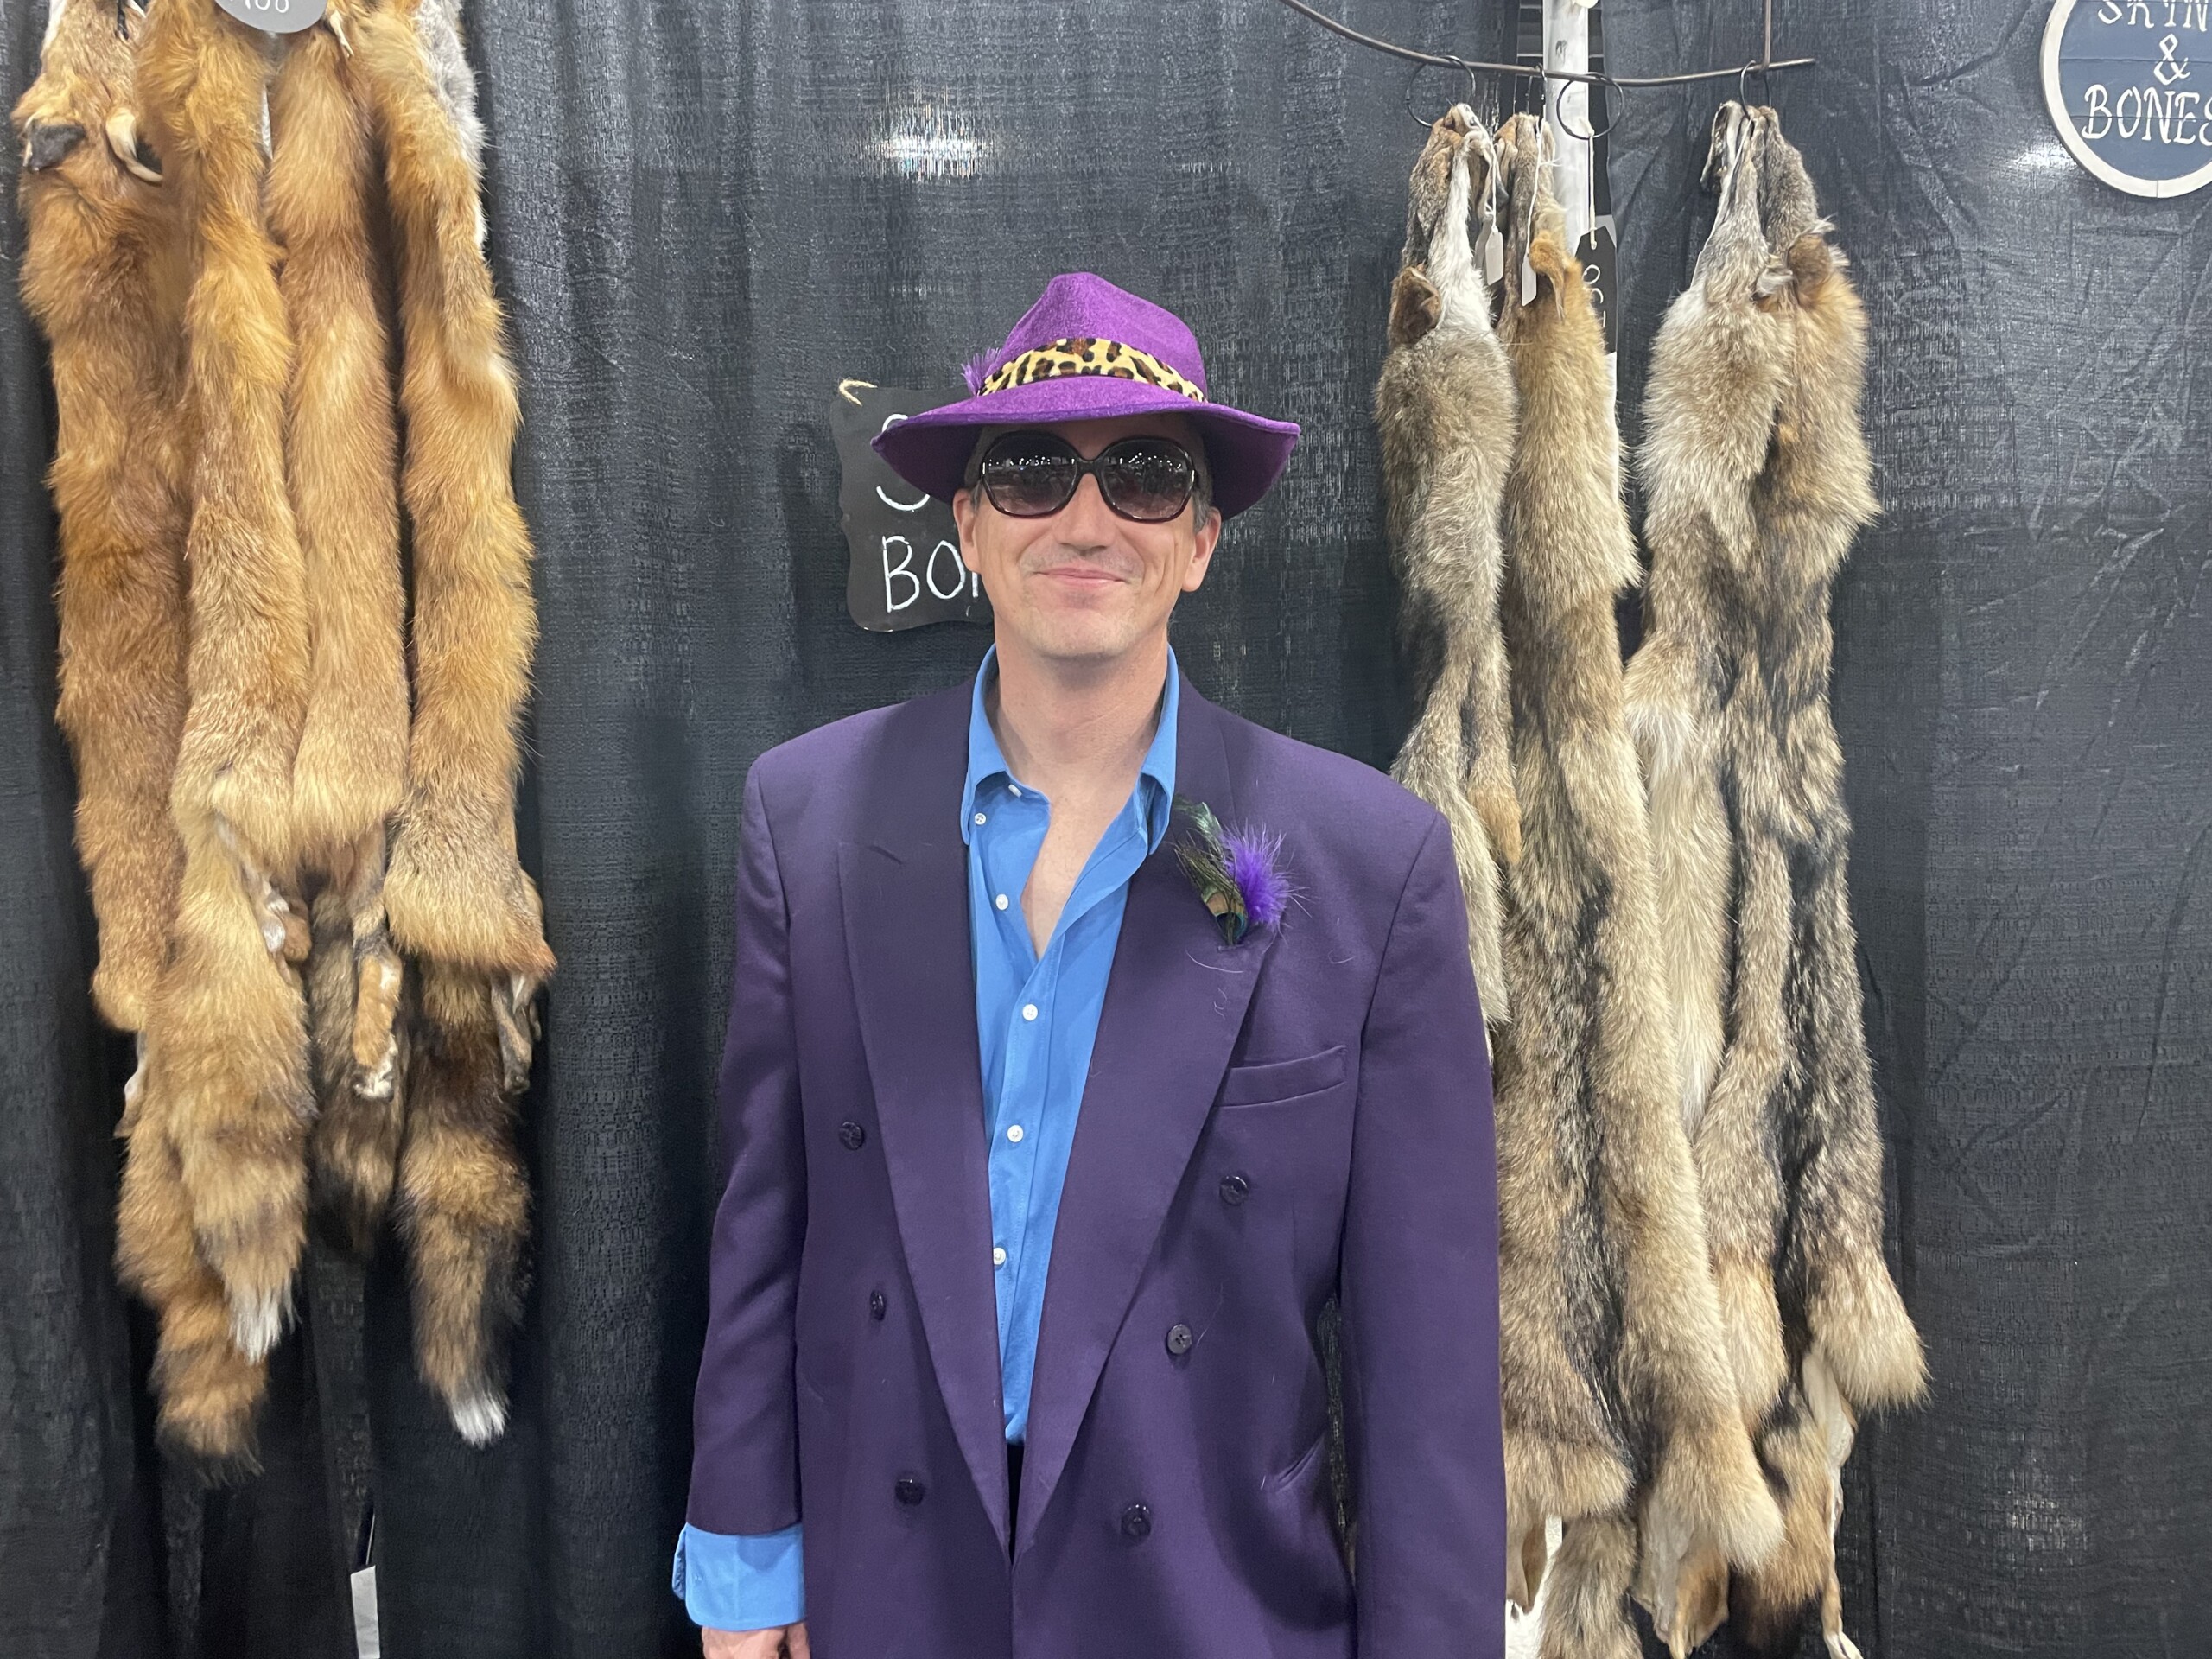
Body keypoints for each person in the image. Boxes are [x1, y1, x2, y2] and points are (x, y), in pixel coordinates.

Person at [674, 272, 1503, 1658]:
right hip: (890, 1593)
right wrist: (749, 1570)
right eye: (1031, 469)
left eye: (1146, 477)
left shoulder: (1375, 866)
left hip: (1211, 1609)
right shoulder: (805, 821)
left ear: (1202, 540)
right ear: (968, 524)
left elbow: (1430, 1371)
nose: (1085, 517)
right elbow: (767, 1229)